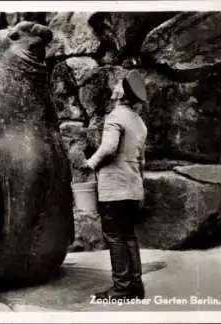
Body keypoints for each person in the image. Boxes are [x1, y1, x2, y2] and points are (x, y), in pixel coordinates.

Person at [80, 70, 148, 300]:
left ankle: (121, 288)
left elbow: (109, 148)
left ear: (121, 94)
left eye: (118, 84)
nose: (114, 87)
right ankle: (136, 286)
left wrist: (90, 164)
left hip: (115, 191)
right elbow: (141, 161)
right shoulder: (139, 123)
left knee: (115, 237)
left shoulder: (115, 117)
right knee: (129, 236)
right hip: (133, 188)